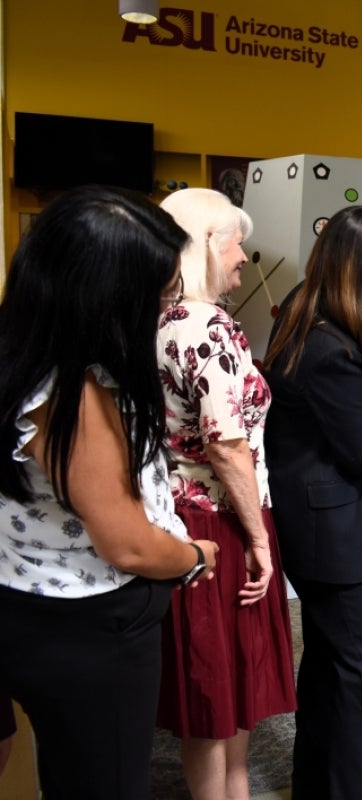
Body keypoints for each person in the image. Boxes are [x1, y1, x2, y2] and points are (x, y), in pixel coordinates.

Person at [0, 186, 219, 799]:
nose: (165, 307)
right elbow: (127, 546)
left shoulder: (24, 350)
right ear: (101, 299)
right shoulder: (71, 399)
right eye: (156, 294)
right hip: (86, 631)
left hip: (27, 597)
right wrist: (195, 557)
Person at [156, 188, 297, 800]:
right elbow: (226, 444)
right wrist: (261, 541)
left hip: (183, 518)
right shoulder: (206, 325)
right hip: (222, 524)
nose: (245, 256)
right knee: (218, 688)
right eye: (236, 241)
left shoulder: (159, 319)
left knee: (217, 689)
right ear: (207, 245)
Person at [262, 205, 362, 799]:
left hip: (309, 519)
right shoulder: (330, 350)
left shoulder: (300, 309)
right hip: (328, 530)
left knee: (327, 665)